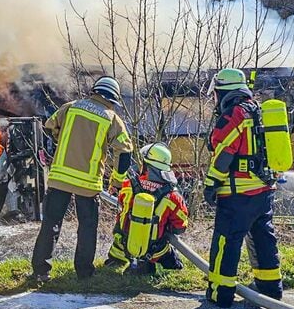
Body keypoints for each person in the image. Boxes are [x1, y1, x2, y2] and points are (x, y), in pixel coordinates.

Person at [31, 76, 134, 283]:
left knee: (51, 224)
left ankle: (41, 272)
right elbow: (125, 153)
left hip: (60, 177)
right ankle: (84, 273)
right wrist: (116, 182)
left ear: (94, 91)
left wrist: (62, 142)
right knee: (87, 227)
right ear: (113, 98)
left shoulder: (71, 107)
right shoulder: (112, 118)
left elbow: (50, 126)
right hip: (88, 183)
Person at [203, 68, 282, 308]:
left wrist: (211, 184)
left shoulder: (234, 114)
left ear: (223, 91)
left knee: (226, 241)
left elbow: (224, 151)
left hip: (237, 193)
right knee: (263, 238)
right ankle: (270, 287)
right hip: (263, 190)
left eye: (216, 93)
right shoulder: (256, 110)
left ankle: (220, 292)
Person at [105, 142, 189, 274]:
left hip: (124, 244)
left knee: (121, 228)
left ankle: (115, 260)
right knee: (176, 265)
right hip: (155, 251)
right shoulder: (173, 196)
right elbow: (180, 227)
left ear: (146, 165)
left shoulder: (128, 185)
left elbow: (122, 205)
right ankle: (151, 266)